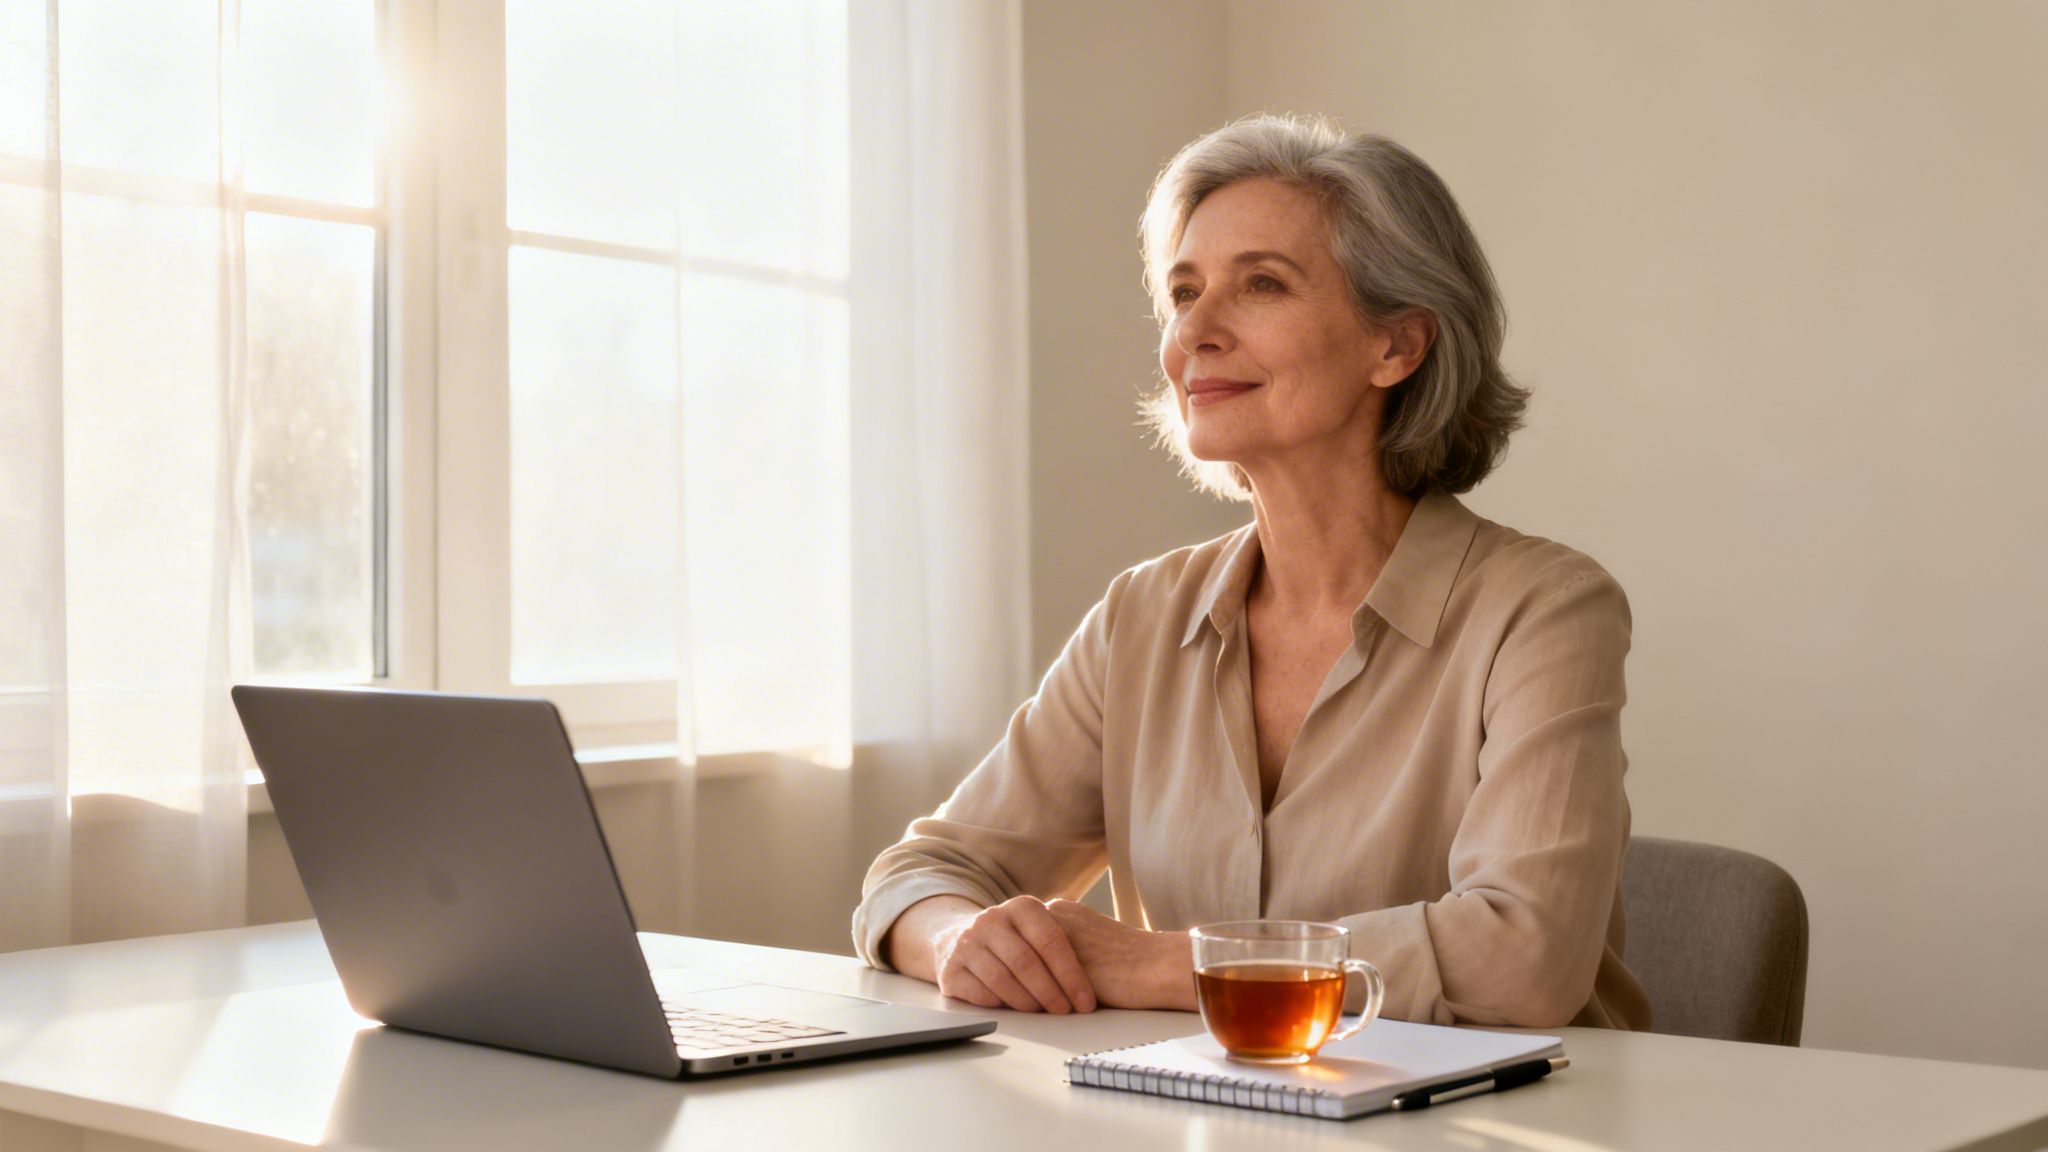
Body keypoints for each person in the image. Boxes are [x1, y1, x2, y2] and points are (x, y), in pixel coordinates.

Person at [850, 114, 1650, 1030]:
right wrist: (958, 939)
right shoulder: (1140, 617)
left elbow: (1524, 960)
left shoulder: (1545, 610)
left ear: (1398, 346)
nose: (1194, 331)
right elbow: (920, 876)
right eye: (1183, 292)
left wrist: (1161, 963)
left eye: (1261, 284)